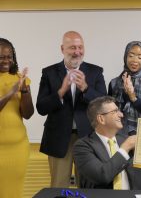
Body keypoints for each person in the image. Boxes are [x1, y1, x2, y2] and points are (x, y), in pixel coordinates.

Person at [36, 31, 107, 187]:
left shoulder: (96, 72)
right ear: (62, 49)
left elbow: (105, 104)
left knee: (88, 186)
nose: (77, 52)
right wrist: (61, 91)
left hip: (88, 137)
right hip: (59, 138)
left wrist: (86, 88)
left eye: (80, 47)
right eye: (72, 47)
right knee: (59, 186)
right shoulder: (49, 73)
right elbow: (41, 107)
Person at [73, 96, 141, 189]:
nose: (121, 114)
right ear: (101, 119)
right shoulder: (83, 146)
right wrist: (125, 148)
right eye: (115, 111)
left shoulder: (129, 141)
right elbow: (101, 176)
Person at [0, 38, 34, 197]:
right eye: (1, 57)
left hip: (18, 149)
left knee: (14, 192)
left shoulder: (20, 79)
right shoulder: (14, 85)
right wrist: (11, 92)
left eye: (9, 56)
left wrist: (25, 90)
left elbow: (27, 114)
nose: (6, 60)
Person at [108, 41, 141, 136]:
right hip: (117, 136)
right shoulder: (114, 83)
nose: (135, 60)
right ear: (125, 57)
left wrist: (133, 97)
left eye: (140, 57)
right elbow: (109, 113)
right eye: (131, 56)